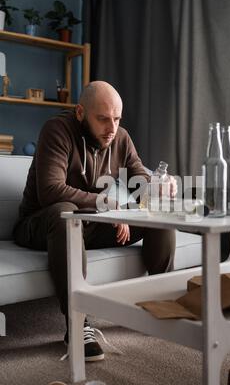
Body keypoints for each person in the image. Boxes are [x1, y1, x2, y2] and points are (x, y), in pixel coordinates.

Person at [13, 81, 176, 361]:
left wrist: (159, 185)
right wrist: (109, 206)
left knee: (157, 213)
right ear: (80, 112)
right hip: (43, 224)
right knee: (65, 211)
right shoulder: (57, 130)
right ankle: (78, 324)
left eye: (116, 119)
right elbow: (51, 190)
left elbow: (139, 182)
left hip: (90, 223)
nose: (111, 128)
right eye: (102, 119)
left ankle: (162, 305)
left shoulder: (120, 138)